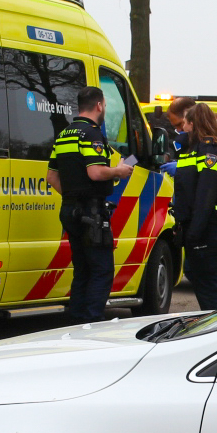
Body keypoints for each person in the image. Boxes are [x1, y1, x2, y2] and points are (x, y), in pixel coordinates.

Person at [44, 87, 133, 322]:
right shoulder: (91, 133)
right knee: (101, 270)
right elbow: (95, 173)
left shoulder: (64, 134)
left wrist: (73, 196)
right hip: (91, 213)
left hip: (70, 211)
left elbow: (51, 178)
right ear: (100, 106)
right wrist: (119, 171)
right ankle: (92, 323)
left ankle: (77, 321)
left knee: (82, 270)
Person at [179, 101, 217, 310]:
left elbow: (206, 196)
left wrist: (194, 233)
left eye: (185, 124)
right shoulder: (199, 149)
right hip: (205, 226)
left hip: (209, 227)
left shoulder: (210, 151)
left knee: (208, 282)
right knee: (202, 278)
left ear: (194, 124)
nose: (183, 129)